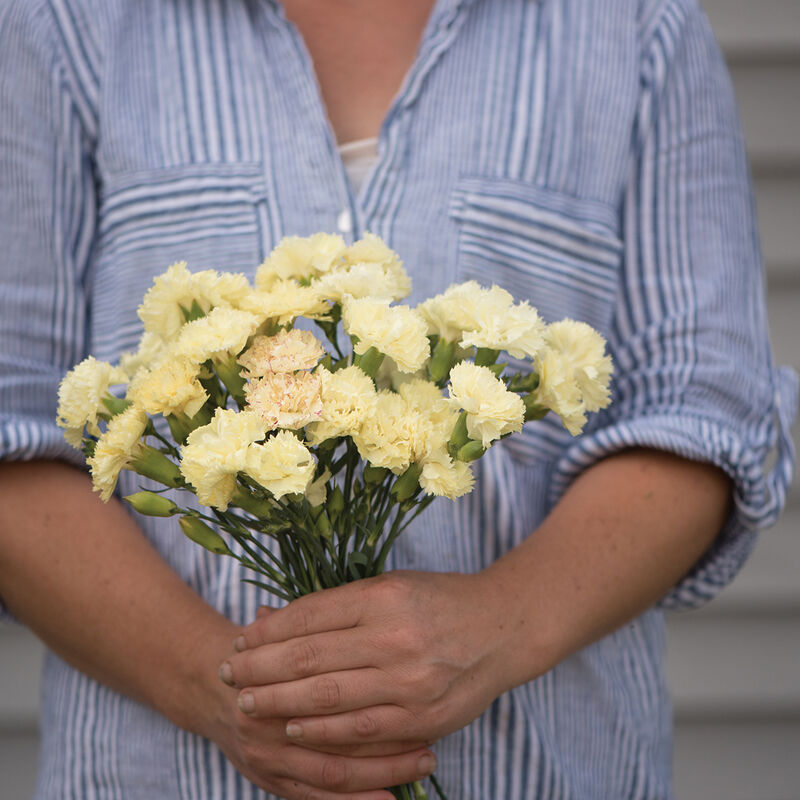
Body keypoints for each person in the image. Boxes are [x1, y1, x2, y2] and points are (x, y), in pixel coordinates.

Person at [0, 0, 796, 798]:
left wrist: (500, 623)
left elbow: (705, 411)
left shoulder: (634, 23)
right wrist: (231, 692)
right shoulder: (64, 22)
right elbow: (12, 427)